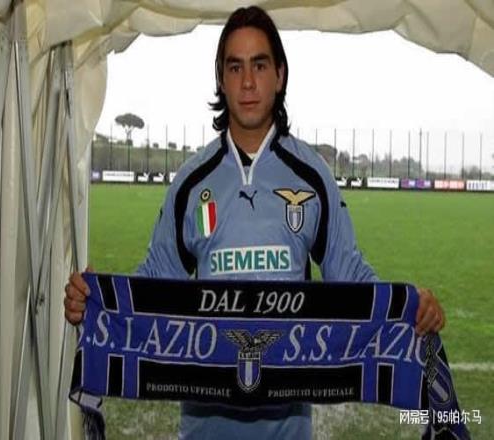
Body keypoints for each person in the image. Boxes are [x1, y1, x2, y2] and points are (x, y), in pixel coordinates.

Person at [64, 6, 445, 440]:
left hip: (288, 429)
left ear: (279, 75)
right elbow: (155, 282)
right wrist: (98, 303)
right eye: (235, 67)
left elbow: (350, 276)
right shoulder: (192, 181)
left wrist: (409, 309)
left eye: (259, 66)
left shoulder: (312, 176)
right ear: (221, 79)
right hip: (203, 429)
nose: (247, 82)